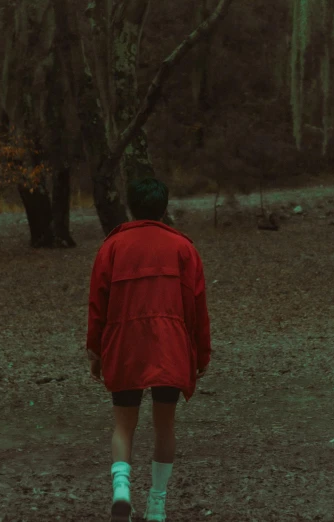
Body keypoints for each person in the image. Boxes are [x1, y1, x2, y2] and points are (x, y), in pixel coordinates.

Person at [86, 177, 211, 522]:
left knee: (123, 425)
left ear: (131, 206)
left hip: (125, 344)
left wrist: (95, 351)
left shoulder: (112, 247)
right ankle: (157, 503)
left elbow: (98, 303)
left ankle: (121, 489)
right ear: (164, 207)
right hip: (169, 345)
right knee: (164, 426)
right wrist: (201, 354)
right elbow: (197, 306)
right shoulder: (183, 248)